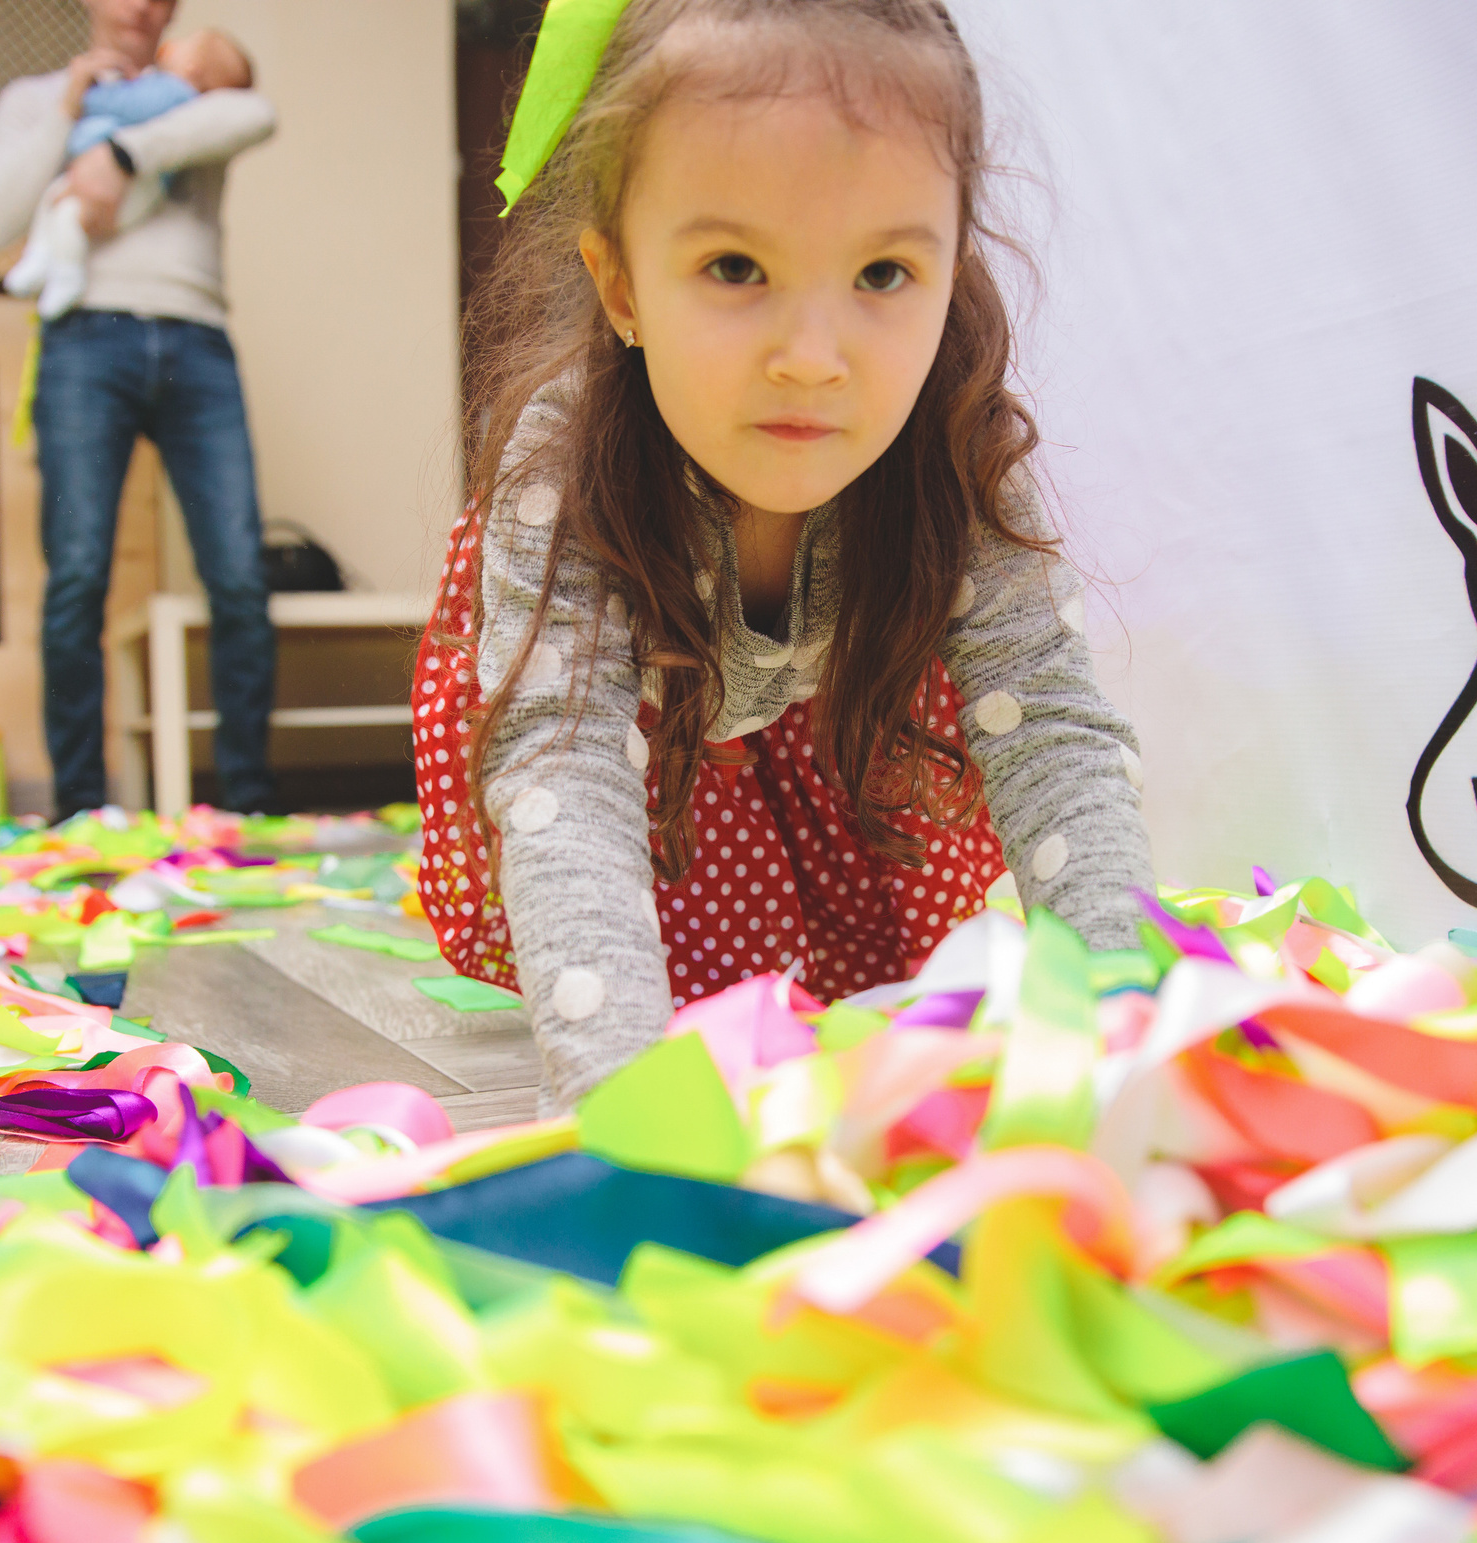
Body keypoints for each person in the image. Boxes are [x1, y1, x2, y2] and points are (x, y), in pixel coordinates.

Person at [413, 0, 1158, 1113]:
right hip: (636, 740)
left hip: (831, 736)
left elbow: (1053, 734)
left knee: (827, 1016)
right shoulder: (564, 464)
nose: (812, 360)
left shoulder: (957, 449)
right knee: (664, 992)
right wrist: (618, 1114)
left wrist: (1132, 1041)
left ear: (953, 267)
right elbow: (564, 770)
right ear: (620, 286)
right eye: (732, 267)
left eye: (882, 277)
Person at [0, 0, 279, 821]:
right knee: (76, 576)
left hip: (198, 342)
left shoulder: (205, 85)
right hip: (81, 343)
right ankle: (77, 809)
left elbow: (257, 114)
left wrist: (120, 154)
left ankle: (245, 801)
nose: (138, 5)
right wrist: (68, 111)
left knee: (240, 578)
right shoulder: (33, 99)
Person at [3, 28, 256, 322]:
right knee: (56, 202)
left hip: (132, 191)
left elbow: (129, 105)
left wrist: (88, 97)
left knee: (68, 215)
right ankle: (41, 256)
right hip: (102, 185)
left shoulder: (173, 91)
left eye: (185, 43)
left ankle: (65, 272)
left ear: (192, 69)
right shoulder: (163, 89)